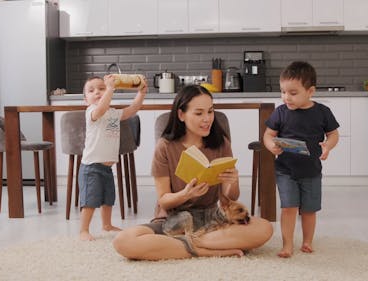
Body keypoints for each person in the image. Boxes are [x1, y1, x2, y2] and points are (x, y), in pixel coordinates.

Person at [112, 85, 273, 260]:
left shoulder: (221, 143)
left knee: (265, 228)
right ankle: (206, 248)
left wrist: (233, 181)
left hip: (212, 221)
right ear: (181, 115)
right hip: (173, 222)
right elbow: (164, 201)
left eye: (210, 111)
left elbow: (231, 197)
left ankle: (188, 246)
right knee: (123, 241)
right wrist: (185, 194)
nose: (207, 119)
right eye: (199, 113)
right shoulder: (165, 147)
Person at [263, 61, 340, 258]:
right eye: (282, 92)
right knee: (288, 207)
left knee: (309, 210)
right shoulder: (280, 112)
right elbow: (268, 135)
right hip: (285, 170)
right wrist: (271, 145)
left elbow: (333, 134)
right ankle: (287, 244)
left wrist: (328, 145)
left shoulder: (322, 112)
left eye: (293, 93)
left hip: (312, 171)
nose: (286, 97)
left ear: (310, 91)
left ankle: (307, 241)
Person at [79, 75, 147, 241]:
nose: (97, 92)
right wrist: (109, 89)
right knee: (90, 200)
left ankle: (107, 225)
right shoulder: (92, 112)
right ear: (85, 100)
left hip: (107, 167)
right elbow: (101, 109)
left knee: (108, 198)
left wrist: (141, 93)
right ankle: (83, 230)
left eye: (101, 88)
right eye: (91, 90)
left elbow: (132, 110)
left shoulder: (113, 113)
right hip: (91, 167)